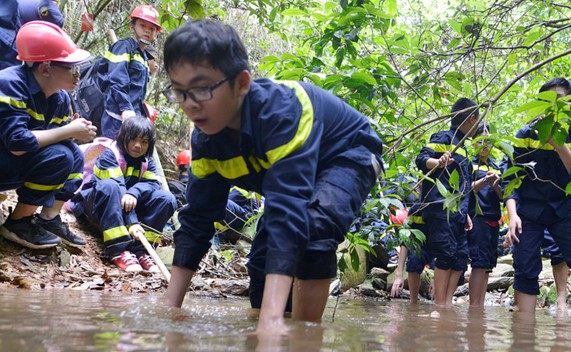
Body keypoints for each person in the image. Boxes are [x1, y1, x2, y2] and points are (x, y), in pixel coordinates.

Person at [161, 19, 383, 331]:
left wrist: (271, 323)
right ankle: (279, 332)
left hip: (348, 153)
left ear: (242, 83)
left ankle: (306, 345)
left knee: (313, 228)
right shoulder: (205, 141)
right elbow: (198, 219)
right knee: (262, 265)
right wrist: (168, 313)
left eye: (201, 89)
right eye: (180, 92)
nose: (190, 105)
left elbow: (288, 216)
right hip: (293, 183)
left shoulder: (282, 113)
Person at [504, 77, 571, 319]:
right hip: (529, 212)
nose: (553, 107)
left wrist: (558, 144)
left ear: (570, 105)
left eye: (560, 100)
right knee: (525, 269)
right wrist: (513, 215)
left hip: (565, 210)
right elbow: (511, 178)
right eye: (547, 102)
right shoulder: (526, 134)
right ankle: (524, 337)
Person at [0, 21, 96, 249]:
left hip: (14, 163)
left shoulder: (60, 98)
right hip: (7, 156)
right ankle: (18, 222)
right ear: (45, 68)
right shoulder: (10, 84)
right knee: (61, 155)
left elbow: (56, 139)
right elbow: (17, 142)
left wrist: (74, 133)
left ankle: (49, 218)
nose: (77, 75)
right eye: (71, 68)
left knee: (73, 153)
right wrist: (67, 131)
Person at [70, 116, 177, 272]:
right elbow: (118, 188)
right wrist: (132, 222)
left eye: (144, 142)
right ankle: (118, 250)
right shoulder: (109, 155)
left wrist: (134, 193)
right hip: (97, 207)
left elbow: (152, 183)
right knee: (111, 186)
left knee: (167, 198)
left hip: (125, 210)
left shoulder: (148, 162)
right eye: (133, 139)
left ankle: (142, 251)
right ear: (124, 138)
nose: (138, 146)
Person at [414, 98, 477, 307]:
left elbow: (463, 185)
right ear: (471, 119)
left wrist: (466, 212)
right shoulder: (444, 138)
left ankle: (446, 304)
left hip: (458, 211)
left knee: (459, 257)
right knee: (445, 254)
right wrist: (438, 162)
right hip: (440, 207)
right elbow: (421, 159)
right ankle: (440, 305)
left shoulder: (464, 149)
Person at [100, 4, 162, 139]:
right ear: (132, 27)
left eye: (152, 28)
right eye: (142, 26)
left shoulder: (144, 57)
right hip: (117, 117)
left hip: (133, 118)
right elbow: (117, 80)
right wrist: (126, 109)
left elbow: (137, 91)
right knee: (113, 156)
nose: (147, 31)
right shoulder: (123, 47)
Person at [466, 123, 503, 307]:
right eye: (481, 141)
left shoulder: (497, 165)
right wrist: (484, 180)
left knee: (488, 265)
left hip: (493, 218)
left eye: (488, 141)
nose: (485, 145)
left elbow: (503, 195)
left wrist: (495, 183)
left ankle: (479, 306)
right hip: (477, 217)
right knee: (478, 264)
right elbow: (467, 189)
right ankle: (474, 306)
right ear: (473, 143)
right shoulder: (469, 163)